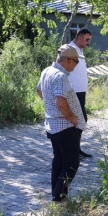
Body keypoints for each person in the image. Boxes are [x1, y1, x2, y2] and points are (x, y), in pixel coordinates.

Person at [36, 44, 87, 202]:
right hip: (65, 127)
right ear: (69, 61)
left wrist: (49, 105)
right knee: (71, 163)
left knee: (59, 160)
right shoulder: (60, 76)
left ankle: (56, 194)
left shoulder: (47, 71)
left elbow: (39, 90)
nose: (76, 65)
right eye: (76, 62)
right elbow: (60, 101)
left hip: (53, 125)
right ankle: (59, 196)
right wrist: (72, 117)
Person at [68, 28, 93, 158]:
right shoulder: (69, 49)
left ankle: (76, 148)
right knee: (77, 121)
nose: (89, 43)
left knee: (81, 120)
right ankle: (72, 150)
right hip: (72, 92)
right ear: (80, 38)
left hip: (80, 92)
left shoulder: (80, 51)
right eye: (87, 40)